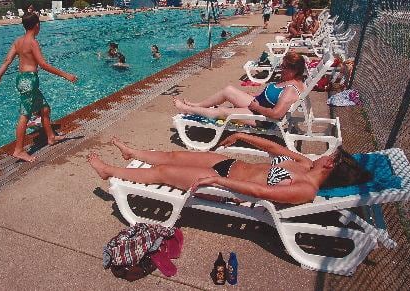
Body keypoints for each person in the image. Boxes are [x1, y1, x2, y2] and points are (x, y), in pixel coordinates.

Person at [88, 135, 372, 205]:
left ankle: (109, 171)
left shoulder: (306, 190)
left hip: (223, 181)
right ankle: (132, 153)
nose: (325, 154)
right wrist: (240, 136)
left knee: (163, 172)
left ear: (331, 165)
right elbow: (275, 149)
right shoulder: (305, 164)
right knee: (175, 154)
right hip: (228, 166)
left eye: (329, 155)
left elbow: (261, 191)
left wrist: (218, 182)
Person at [0, 13, 77, 162]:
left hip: (22, 79)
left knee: (45, 109)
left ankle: (51, 137)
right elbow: (43, 64)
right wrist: (65, 75)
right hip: (29, 81)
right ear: (36, 25)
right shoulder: (33, 42)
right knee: (25, 115)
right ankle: (19, 150)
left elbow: (7, 60)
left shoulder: (18, 41)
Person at [173, 52, 306, 125]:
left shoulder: (290, 90)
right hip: (257, 104)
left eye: (284, 67)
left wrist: (256, 108)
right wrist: (255, 96)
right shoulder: (292, 79)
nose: (281, 69)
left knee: (223, 111)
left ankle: (187, 109)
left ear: (294, 70)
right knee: (228, 90)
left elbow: (277, 114)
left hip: (261, 116)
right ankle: (198, 105)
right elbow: (274, 97)